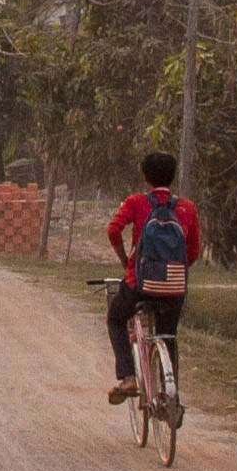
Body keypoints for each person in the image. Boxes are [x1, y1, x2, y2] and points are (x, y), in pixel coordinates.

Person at [103, 151, 202, 402]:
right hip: (175, 287)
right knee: (168, 335)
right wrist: (173, 272)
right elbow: (192, 252)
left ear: (145, 176)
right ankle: (171, 397)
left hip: (140, 282)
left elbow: (113, 230)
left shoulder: (137, 202)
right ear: (172, 176)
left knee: (115, 318)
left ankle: (128, 377)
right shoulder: (187, 208)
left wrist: (126, 260)